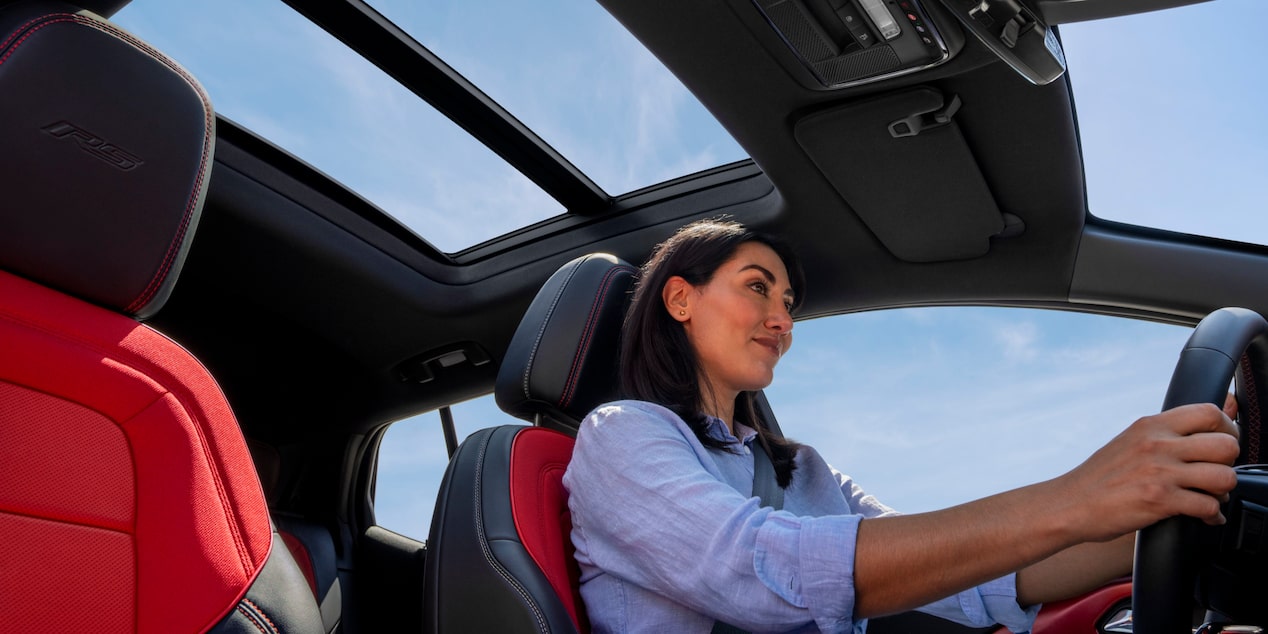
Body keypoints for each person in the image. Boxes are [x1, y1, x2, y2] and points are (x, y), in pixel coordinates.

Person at [561, 218, 1241, 633]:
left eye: (789, 302)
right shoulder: (622, 436)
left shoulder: (808, 473)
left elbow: (971, 580)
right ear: (681, 298)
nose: (782, 319)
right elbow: (758, 571)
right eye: (757, 286)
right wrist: (1076, 495)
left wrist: (1170, 509)